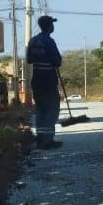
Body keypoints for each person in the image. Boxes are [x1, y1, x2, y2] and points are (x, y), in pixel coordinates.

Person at [26, 15, 63, 149]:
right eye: (52, 24)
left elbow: (29, 59)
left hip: (37, 80)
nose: (53, 26)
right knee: (51, 109)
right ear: (48, 26)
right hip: (48, 80)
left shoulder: (33, 41)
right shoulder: (49, 41)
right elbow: (57, 61)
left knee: (41, 109)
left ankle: (41, 138)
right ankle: (48, 139)